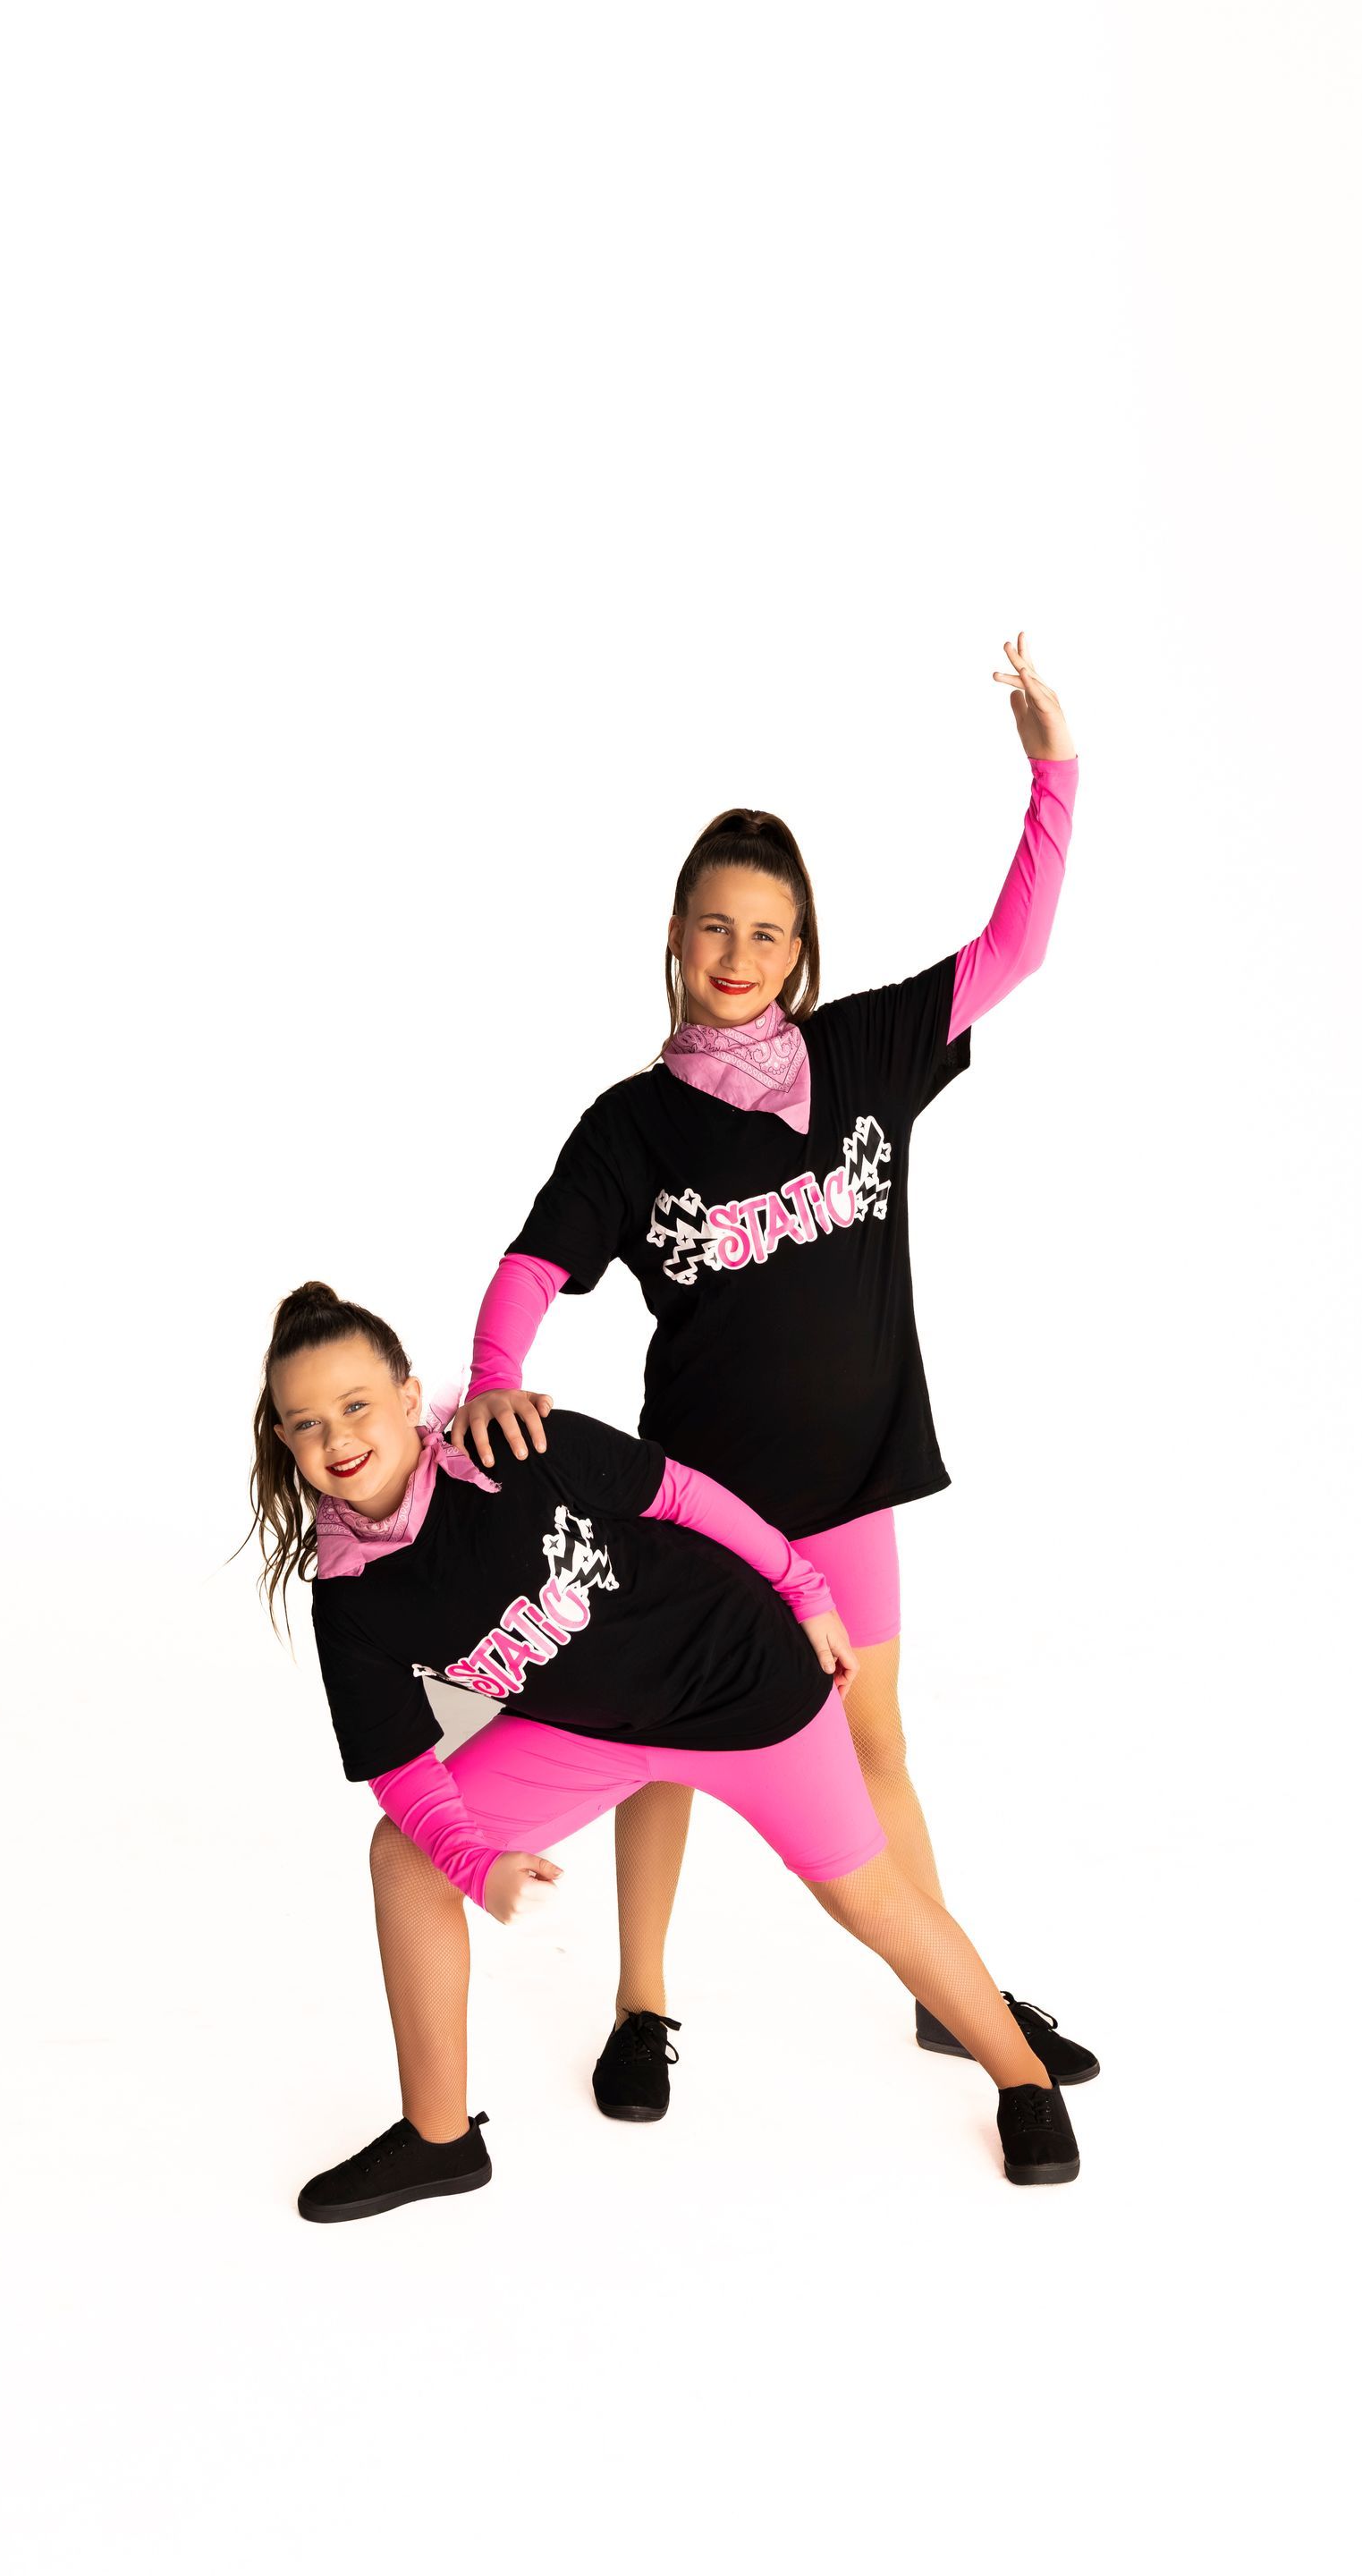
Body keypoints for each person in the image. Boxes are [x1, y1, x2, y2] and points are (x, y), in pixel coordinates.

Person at [444, 633, 1096, 2113]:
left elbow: (1016, 950)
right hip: (699, 1503)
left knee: (874, 1733)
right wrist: (495, 1372)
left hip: (851, 1486)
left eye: (767, 933)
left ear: (802, 948)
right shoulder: (634, 1127)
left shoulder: (866, 1056)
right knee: (670, 1741)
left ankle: (952, 1994)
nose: (739, 959)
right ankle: (643, 2004)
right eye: (713, 929)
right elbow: (533, 1262)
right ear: (676, 938)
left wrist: (1051, 767)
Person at [248, 1282, 1082, 2218]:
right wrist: (476, 1866)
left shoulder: (515, 1445)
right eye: (306, 1422)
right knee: (406, 1859)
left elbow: (680, 1495)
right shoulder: (352, 1596)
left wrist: (803, 1586)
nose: (336, 1438)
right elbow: (402, 1774)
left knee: (867, 1894)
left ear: (407, 1398)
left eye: (356, 1405)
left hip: (743, 1690)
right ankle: (439, 2138)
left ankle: (1022, 2080)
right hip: (593, 1729)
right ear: (285, 1441)